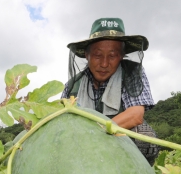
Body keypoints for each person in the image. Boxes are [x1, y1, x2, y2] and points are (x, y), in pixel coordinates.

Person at [62, 17, 159, 164]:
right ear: (87, 55)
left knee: (145, 138)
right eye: (97, 55)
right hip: (81, 144)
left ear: (121, 56)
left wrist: (98, 134)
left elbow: (136, 115)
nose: (104, 63)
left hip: (119, 141)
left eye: (112, 55)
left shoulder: (132, 74)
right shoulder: (73, 85)